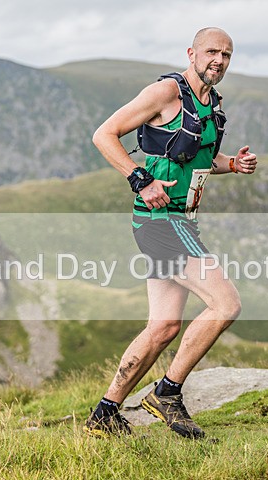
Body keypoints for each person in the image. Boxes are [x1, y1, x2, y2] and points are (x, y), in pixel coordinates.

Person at [85, 27, 257, 439]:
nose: (219, 60)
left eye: (227, 55)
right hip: (160, 221)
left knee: (163, 326)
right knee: (225, 303)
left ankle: (105, 414)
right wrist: (139, 178)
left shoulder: (210, 103)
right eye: (212, 52)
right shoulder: (166, 93)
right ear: (192, 53)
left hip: (183, 220)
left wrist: (232, 164)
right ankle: (167, 392)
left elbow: (195, 159)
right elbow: (103, 134)